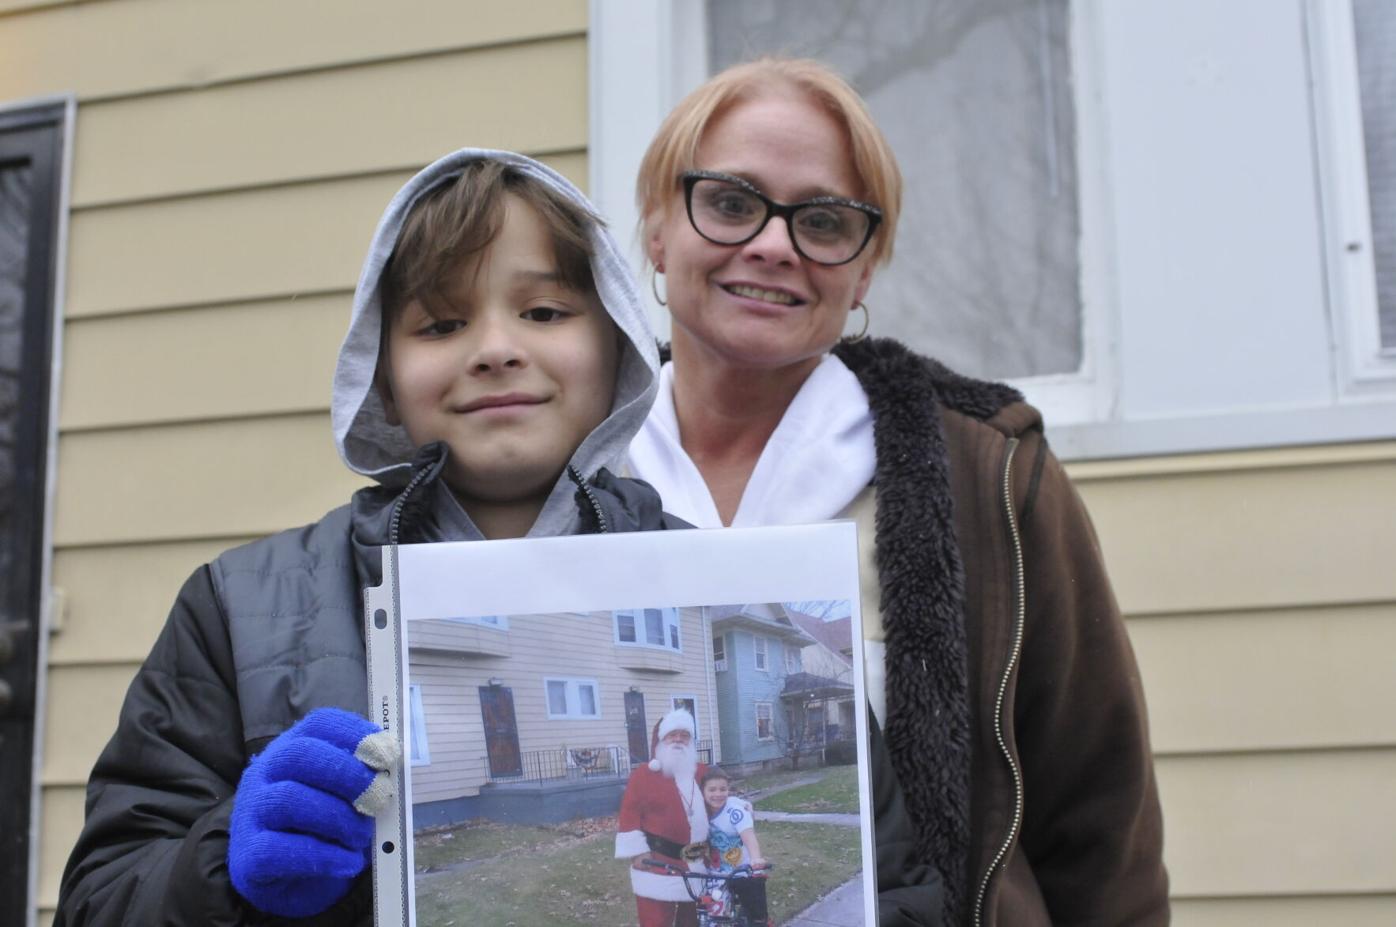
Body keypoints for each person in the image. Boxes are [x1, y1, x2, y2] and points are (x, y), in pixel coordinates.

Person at [54, 148, 680, 926]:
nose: (494, 348)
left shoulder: (713, 572)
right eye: (441, 323)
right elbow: (100, 901)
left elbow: (883, 885)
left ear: (616, 343)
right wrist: (224, 864)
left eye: (544, 312)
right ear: (380, 375)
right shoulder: (237, 606)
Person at [626, 58, 1169, 926]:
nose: (773, 243)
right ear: (658, 229)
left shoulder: (988, 471)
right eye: (730, 202)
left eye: (824, 220)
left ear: (865, 267)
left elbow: (1100, 819)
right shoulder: (569, 467)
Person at [616, 708, 709, 927]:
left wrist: (740, 807)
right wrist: (637, 852)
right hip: (657, 863)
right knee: (656, 921)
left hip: (696, 862)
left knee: (693, 920)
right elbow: (629, 814)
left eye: (684, 735)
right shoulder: (643, 775)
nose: (678, 740)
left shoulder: (703, 771)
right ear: (661, 739)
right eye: (672, 735)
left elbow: (718, 799)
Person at [699, 768, 769, 927]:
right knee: (713, 915)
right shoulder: (700, 812)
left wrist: (756, 859)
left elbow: (749, 837)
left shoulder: (735, 811)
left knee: (756, 915)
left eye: (723, 789)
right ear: (703, 791)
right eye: (712, 789)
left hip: (744, 869)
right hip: (718, 872)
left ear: (728, 790)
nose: (718, 794)